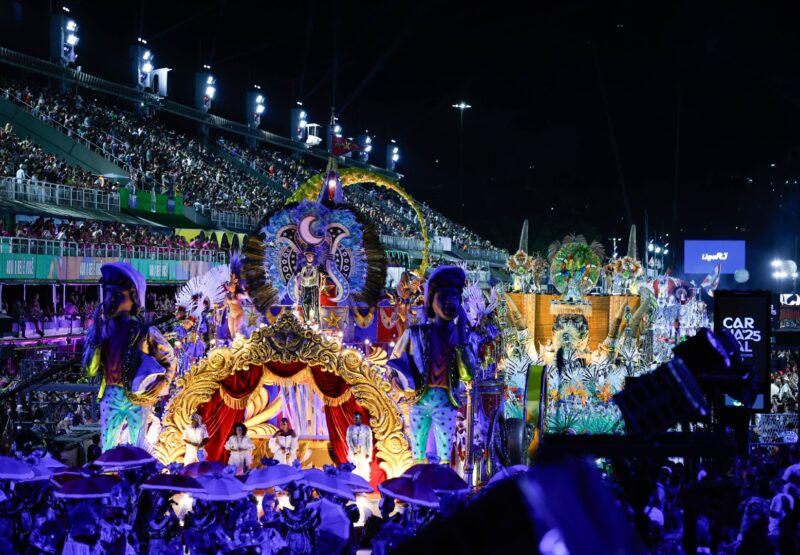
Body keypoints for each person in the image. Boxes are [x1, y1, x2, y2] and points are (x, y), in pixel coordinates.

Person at [388, 265, 478, 465]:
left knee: (445, 456)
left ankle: (443, 491)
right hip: (419, 400)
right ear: (430, 301)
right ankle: (419, 490)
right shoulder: (416, 333)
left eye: (454, 296)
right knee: (417, 455)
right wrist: (396, 381)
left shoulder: (465, 338)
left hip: (446, 402)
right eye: (443, 295)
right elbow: (393, 363)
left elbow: (468, 375)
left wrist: (462, 331)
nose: (449, 301)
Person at [83, 262, 177, 451]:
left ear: (133, 299)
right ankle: (108, 476)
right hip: (110, 394)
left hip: (139, 396)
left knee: (138, 445)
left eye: (117, 295)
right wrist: (94, 339)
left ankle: (137, 477)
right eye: (108, 294)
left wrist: (163, 383)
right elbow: (89, 370)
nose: (110, 300)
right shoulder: (99, 331)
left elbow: (170, 360)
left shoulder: (146, 332)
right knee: (107, 446)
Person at [295, 251, 322, 325]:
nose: (309, 257)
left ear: (313, 257)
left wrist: (323, 273)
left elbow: (323, 271)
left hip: (314, 285)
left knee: (315, 303)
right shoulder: (302, 265)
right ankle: (306, 321)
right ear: (306, 257)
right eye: (308, 255)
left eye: (311, 255)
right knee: (305, 303)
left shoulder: (317, 265)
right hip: (304, 285)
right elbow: (297, 271)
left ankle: (317, 320)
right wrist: (297, 272)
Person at [346, 412, 373, 481]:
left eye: (358, 418)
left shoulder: (366, 428)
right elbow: (349, 440)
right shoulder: (350, 428)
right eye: (355, 418)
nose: (356, 419)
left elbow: (369, 441)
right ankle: (355, 485)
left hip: (363, 451)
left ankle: (363, 486)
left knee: (363, 469)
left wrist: (368, 452)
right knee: (354, 469)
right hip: (354, 452)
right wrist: (353, 450)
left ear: (361, 418)